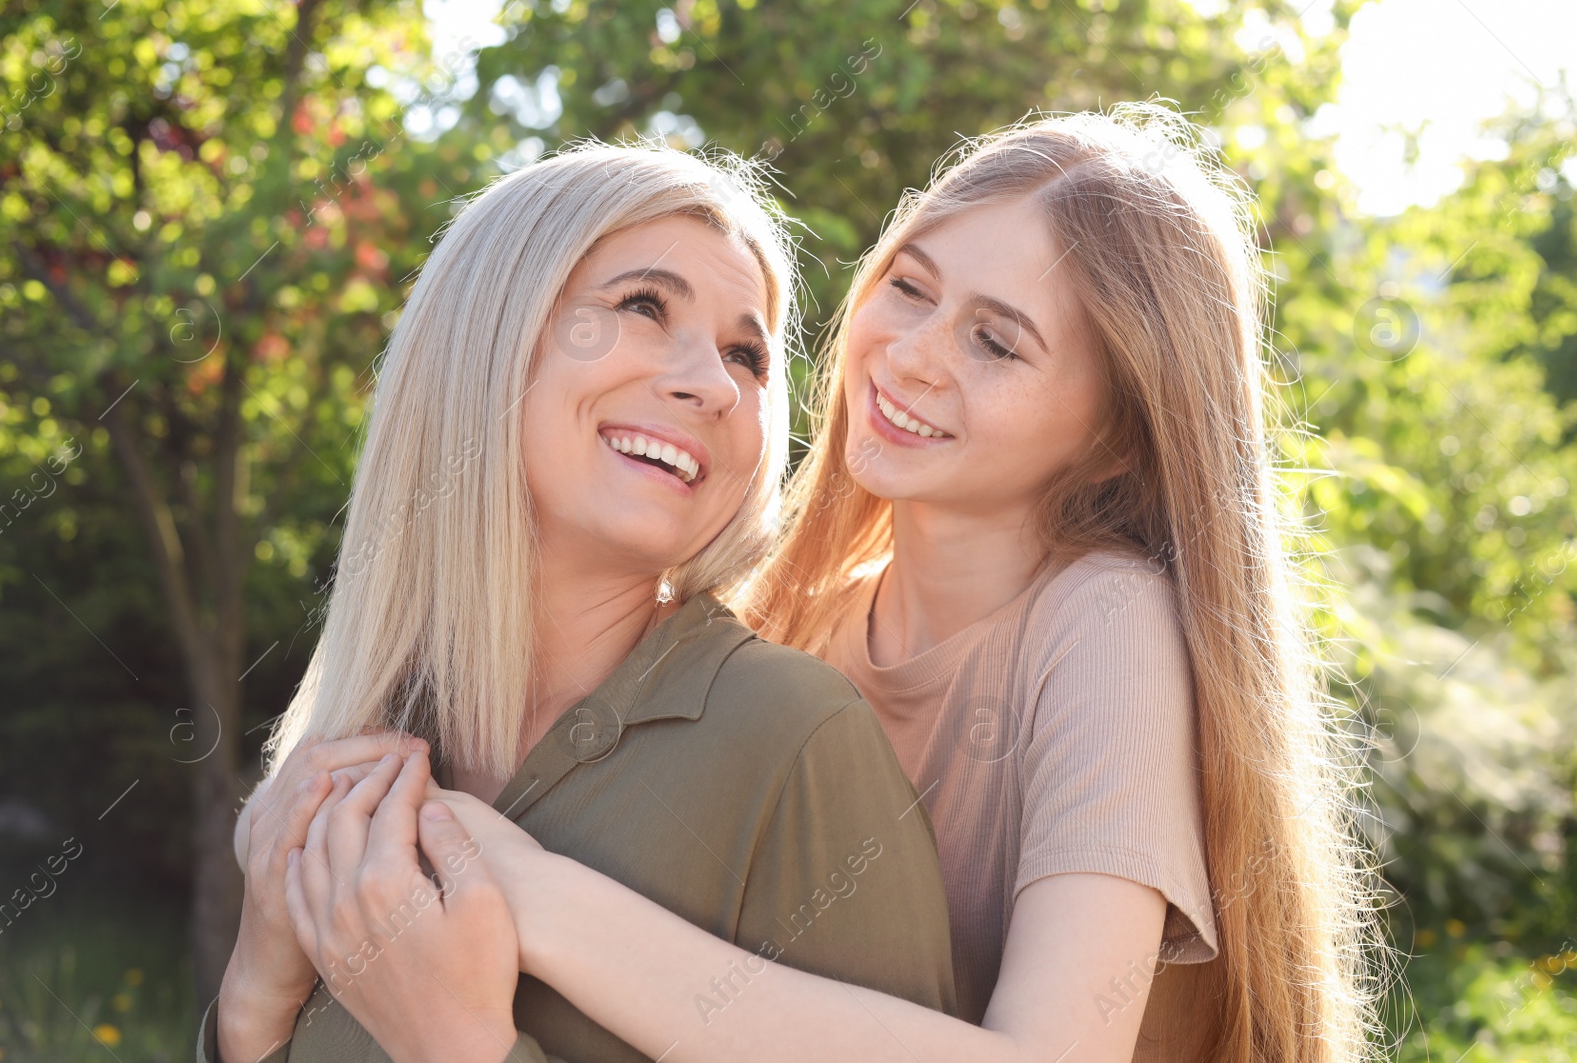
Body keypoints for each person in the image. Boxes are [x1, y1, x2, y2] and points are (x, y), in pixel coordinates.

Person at [407, 104, 1377, 1062]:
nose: (910, 355)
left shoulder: (1104, 620)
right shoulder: (794, 624)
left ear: (1114, 437)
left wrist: (533, 900)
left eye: (994, 342)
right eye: (911, 289)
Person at [199, 141, 959, 1063]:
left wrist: (465, 1047)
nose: (714, 385)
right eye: (644, 307)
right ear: (486, 338)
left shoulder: (793, 737)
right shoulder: (360, 748)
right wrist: (249, 1008)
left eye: (745, 355)